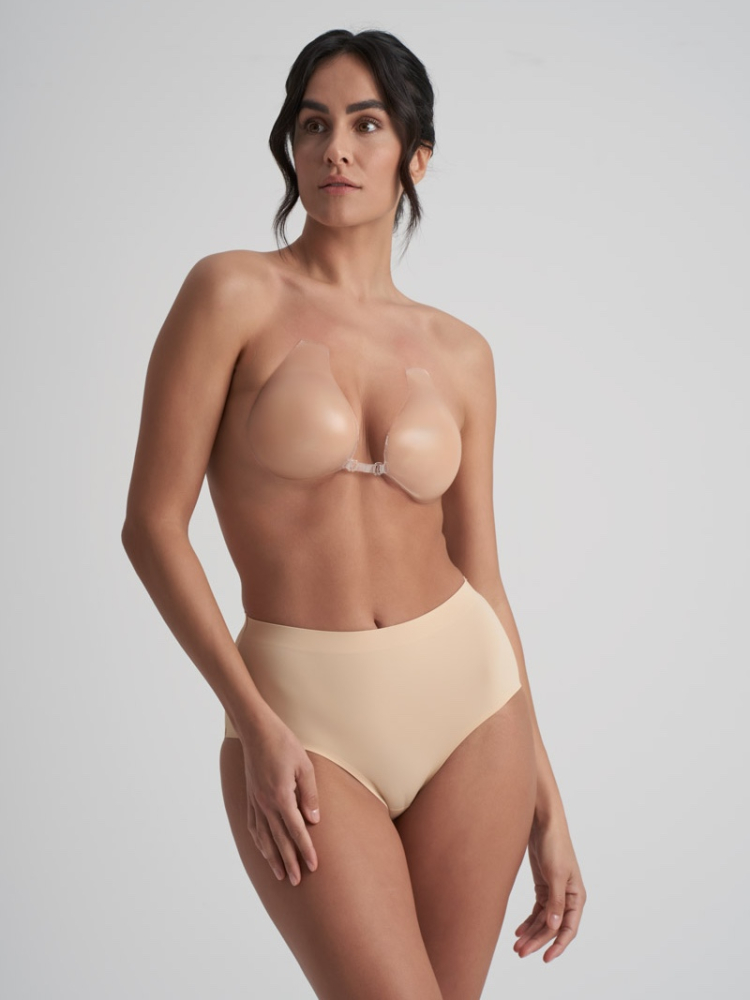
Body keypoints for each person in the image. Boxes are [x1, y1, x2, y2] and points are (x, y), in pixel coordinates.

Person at [121, 27, 586, 1000]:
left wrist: (547, 798)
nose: (335, 148)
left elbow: (482, 571)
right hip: (302, 715)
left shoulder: (461, 353)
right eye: (313, 124)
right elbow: (153, 526)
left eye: (366, 125)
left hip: (473, 709)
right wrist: (252, 722)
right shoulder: (232, 293)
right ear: (290, 146)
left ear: (415, 156)